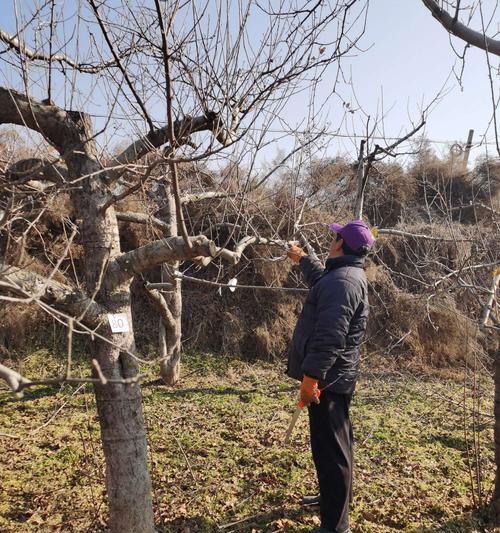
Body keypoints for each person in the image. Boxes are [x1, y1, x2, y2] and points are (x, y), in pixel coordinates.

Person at [286, 219, 375, 533]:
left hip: (328, 380)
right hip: (336, 376)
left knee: (331, 452)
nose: (330, 241)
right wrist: (302, 260)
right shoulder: (344, 275)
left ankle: (335, 526)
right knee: (336, 446)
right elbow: (322, 279)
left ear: (340, 244)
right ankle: (332, 501)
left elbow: (329, 338)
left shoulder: (343, 282)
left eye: (334, 237)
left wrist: (311, 380)